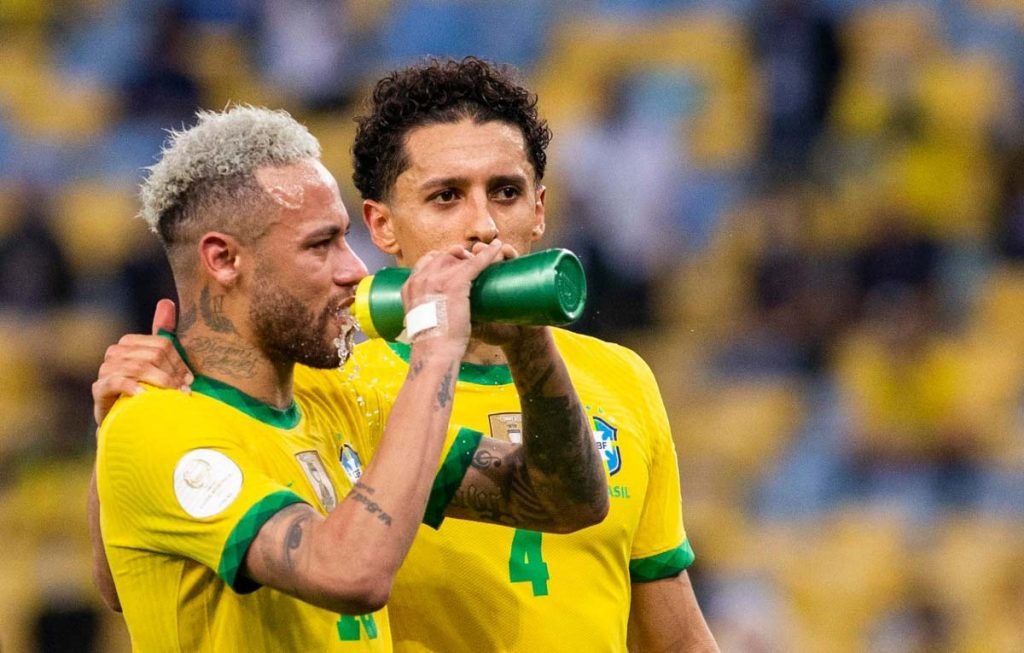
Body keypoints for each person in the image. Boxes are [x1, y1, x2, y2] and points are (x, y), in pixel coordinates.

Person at [94, 59, 718, 651]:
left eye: (505, 192)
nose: (353, 268)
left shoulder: (348, 409)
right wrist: (436, 342)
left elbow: (567, 502)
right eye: (321, 245)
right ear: (223, 259)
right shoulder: (192, 414)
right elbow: (347, 573)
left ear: (539, 207)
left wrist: (527, 342)